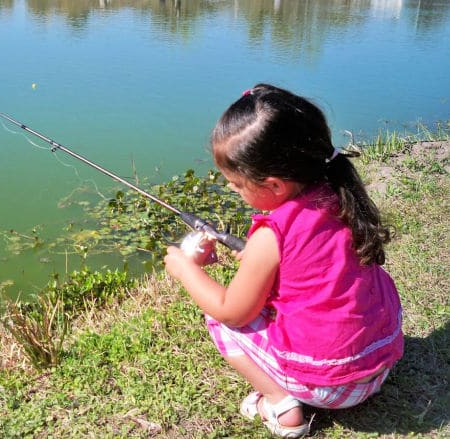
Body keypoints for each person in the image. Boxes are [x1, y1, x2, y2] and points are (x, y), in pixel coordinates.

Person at [164, 84, 403, 438]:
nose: (232, 189)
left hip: (334, 388)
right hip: (380, 363)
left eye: (235, 183)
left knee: (218, 318)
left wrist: (185, 267)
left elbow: (232, 310)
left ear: (275, 185)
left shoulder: (270, 234)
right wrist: (262, 260)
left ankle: (281, 404)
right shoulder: (339, 195)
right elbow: (315, 263)